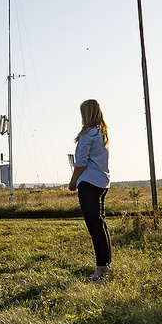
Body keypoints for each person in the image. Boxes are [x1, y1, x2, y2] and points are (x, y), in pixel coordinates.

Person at [69, 99, 111, 281]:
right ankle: (105, 265)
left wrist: (72, 181)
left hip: (88, 183)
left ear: (85, 114)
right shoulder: (102, 133)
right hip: (102, 182)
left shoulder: (88, 135)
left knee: (94, 226)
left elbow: (80, 163)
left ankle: (101, 269)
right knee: (100, 224)